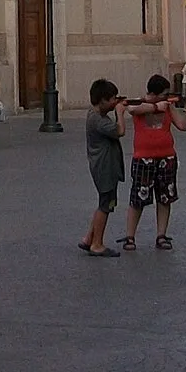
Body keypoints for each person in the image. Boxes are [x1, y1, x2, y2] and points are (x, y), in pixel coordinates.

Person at [121, 74, 186, 251]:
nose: (167, 97)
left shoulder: (168, 106)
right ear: (155, 93)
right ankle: (130, 236)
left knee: (165, 198)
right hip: (143, 157)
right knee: (138, 198)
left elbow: (183, 125)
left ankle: (161, 234)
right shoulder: (140, 103)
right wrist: (155, 106)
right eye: (164, 94)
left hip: (166, 156)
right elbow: (132, 109)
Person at [78, 79, 127, 258]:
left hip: (103, 165)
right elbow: (120, 131)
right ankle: (97, 244)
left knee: (103, 203)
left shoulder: (94, 114)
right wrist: (121, 113)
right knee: (106, 205)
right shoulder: (99, 121)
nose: (115, 102)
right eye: (113, 99)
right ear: (102, 100)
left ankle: (89, 238)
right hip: (105, 167)